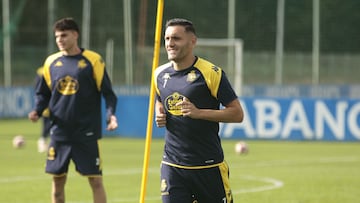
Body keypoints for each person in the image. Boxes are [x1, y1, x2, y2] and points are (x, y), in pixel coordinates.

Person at [28, 17, 118, 203]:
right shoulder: (50, 62)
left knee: (95, 181)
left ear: (75, 35)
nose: (59, 40)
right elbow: (43, 94)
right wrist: (37, 110)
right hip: (59, 133)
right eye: (57, 37)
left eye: (64, 35)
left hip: (86, 133)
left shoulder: (93, 60)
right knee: (57, 183)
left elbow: (108, 94)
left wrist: (111, 116)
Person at [154, 18, 244, 203]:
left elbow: (237, 113)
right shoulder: (159, 74)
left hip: (208, 166)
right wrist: (160, 111)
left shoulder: (211, 73)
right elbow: (159, 97)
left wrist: (199, 113)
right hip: (172, 166)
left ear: (192, 41)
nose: (170, 43)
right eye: (167, 38)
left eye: (176, 38)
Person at [34, 66, 51, 153]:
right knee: (47, 125)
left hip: (57, 105)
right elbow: (39, 89)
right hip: (48, 105)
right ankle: (42, 141)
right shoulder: (42, 72)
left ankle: (45, 142)